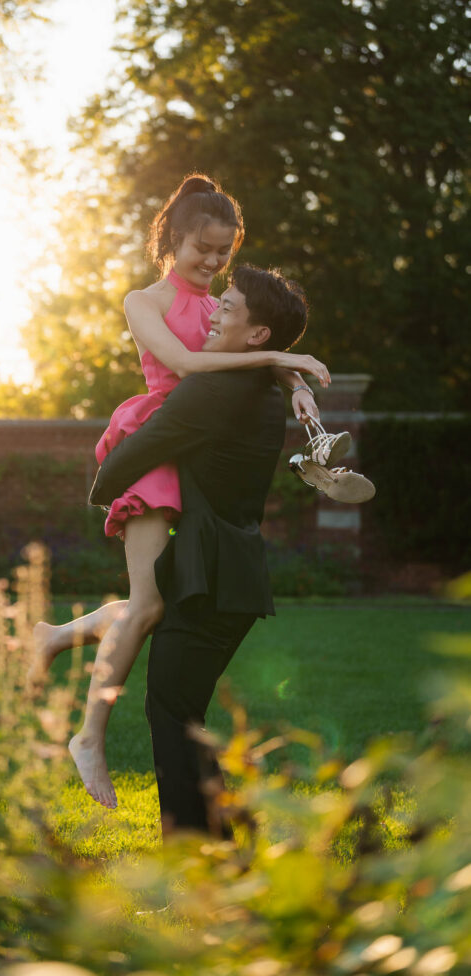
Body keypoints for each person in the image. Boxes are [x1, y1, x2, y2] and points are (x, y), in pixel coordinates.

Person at [31, 174, 333, 810]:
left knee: (155, 605)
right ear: (173, 238)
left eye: (224, 252)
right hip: (154, 442)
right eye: (203, 248)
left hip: (192, 450)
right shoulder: (145, 301)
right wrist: (285, 365)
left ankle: (55, 638)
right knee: (146, 606)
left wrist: (291, 379)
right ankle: (88, 737)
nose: (214, 264)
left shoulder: (221, 302)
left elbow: (246, 342)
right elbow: (194, 367)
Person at [88, 264, 309, 837]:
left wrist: (104, 487)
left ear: (258, 336)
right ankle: (218, 854)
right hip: (228, 579)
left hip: (208, 581)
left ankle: (206, 860)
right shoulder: (258, 386)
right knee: (182, 717)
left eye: (229, 308)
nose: (215, 314)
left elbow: (130, 459)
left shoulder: (218, 389)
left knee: (174, 717)